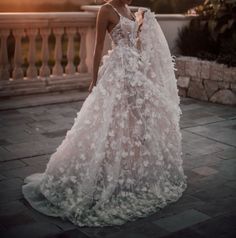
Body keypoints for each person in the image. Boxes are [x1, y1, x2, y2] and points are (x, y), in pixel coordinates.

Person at [22, 0, 187, 227]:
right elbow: (99, 45)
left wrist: (144, 28)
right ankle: (100, 170)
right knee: (108, 120)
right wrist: (93, 79)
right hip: (117, 71)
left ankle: (128, 169)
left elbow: (135, 44)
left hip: (134, 70)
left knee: (137, 120)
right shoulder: (106, 10)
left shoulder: (129, 10)